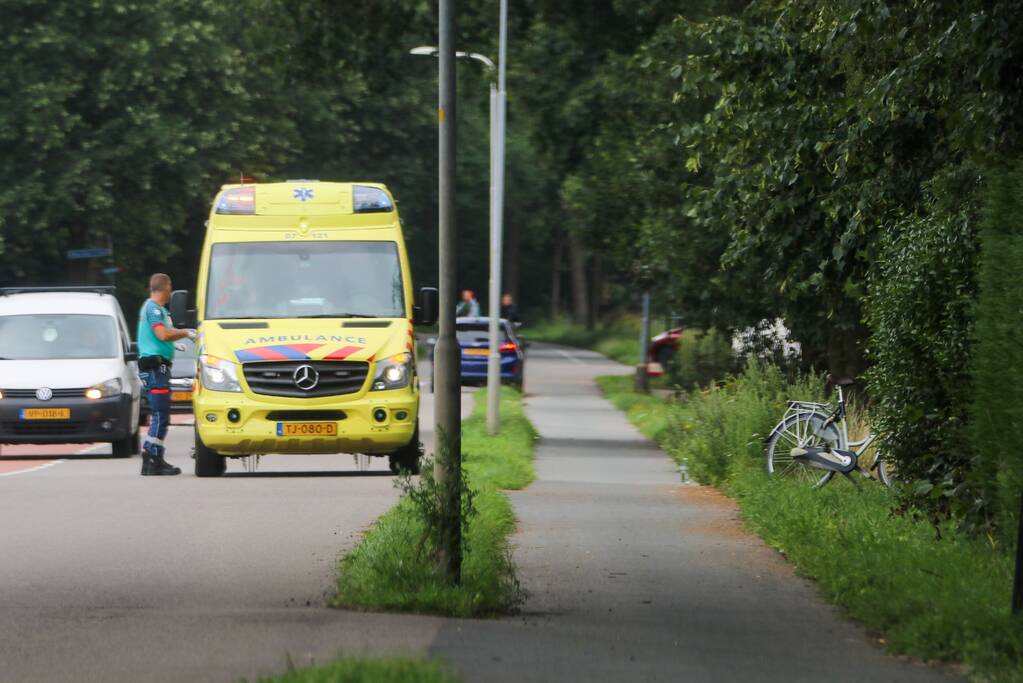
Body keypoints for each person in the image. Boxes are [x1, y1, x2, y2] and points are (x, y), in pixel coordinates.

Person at [137, 273, 196, 476]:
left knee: (160, 413)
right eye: (170, 286)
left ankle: (154, 457)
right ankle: (152, 458)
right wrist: (187, 333)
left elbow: (162, 337)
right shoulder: (153, 308)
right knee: (160, 414)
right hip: (155, 367)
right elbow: (162, 333)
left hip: (158, 366)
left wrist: (171, 345)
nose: (171, 290)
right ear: (166, 287)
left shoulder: (158, 309)